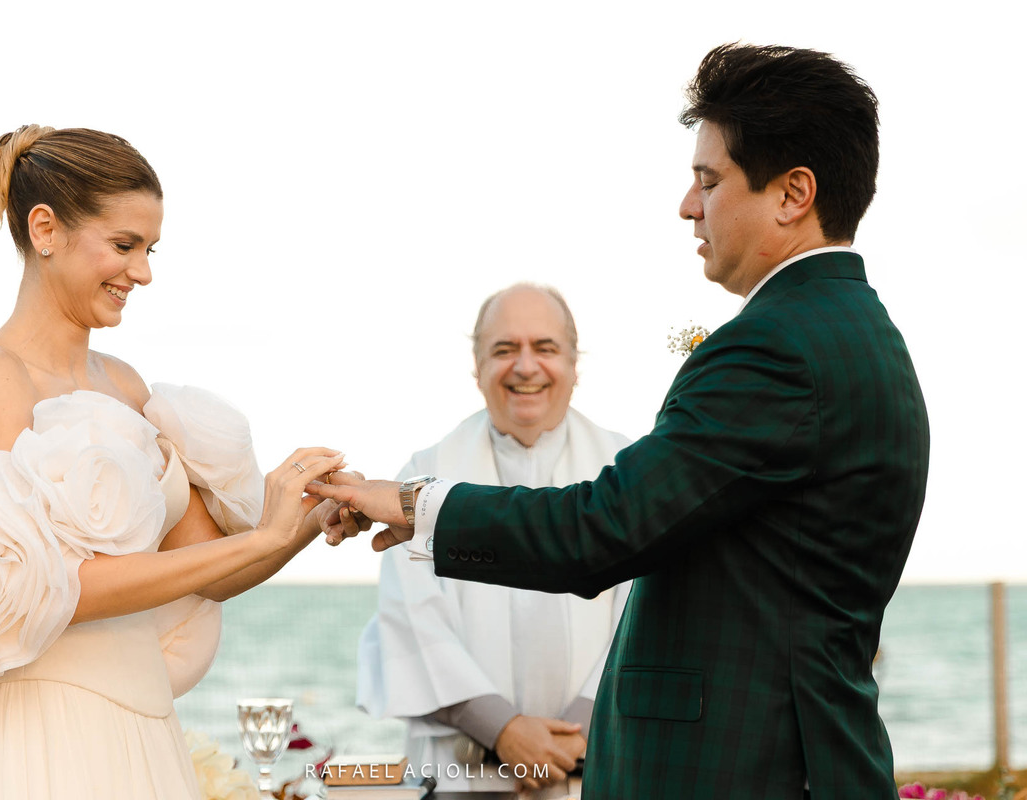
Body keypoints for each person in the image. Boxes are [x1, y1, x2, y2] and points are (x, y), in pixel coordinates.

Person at [314, 43, 929, 799]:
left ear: (792, 193)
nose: (688, 205)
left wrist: (414, 504)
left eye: (710, 180)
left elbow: (605, 529)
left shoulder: (775, 348)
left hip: (743, 772)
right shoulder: (858, 333)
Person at [0, 125, 360, 800]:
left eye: (150, 250)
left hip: (142, 734)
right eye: (125, 245)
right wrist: (264, 537)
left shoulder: (127, 385)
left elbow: (205, 572)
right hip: (37, 738)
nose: (144, 272)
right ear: (45, 229)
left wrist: (304, 518)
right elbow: (47, 588)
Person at [355, 284, 633, 796]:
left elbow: (642, 609)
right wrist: (503, 730)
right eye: (504, 349)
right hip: (466, 771)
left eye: (545, 347)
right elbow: (412, 620)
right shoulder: (426, 473)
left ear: (575, 363)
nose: (525, 367)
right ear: (477, 367)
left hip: (595, 759)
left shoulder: (627, 469)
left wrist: (578, 732)